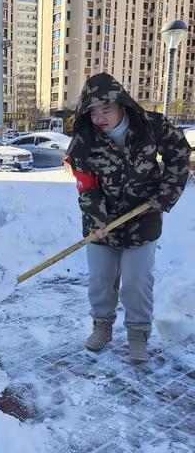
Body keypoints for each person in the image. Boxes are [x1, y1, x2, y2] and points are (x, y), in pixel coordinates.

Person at [65, 73, 191, 363]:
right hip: (101, 222)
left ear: (122, 105)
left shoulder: (151, 125)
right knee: (100, 279)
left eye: (106, 110)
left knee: (136, 281)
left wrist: (165, 194)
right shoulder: (85, 138)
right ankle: (102, 326)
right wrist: (97, 221)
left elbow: (179, 156)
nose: (99, 118)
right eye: (93, 111)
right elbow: (86, 183)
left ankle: (137, 335)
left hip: (143, 218)